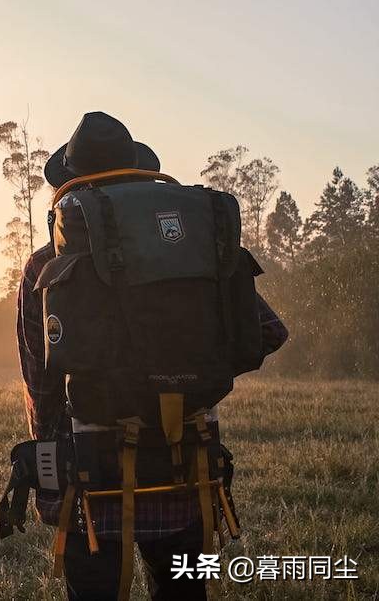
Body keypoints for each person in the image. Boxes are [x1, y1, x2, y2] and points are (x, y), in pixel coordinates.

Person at [16, 112, 288, 600]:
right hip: (189, 466)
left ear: (72, 187)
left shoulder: (44, 266)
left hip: (90, 478)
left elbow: (40, 380)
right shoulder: (198, 252)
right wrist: (188, 372)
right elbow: (267, 332)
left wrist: (49, 467)